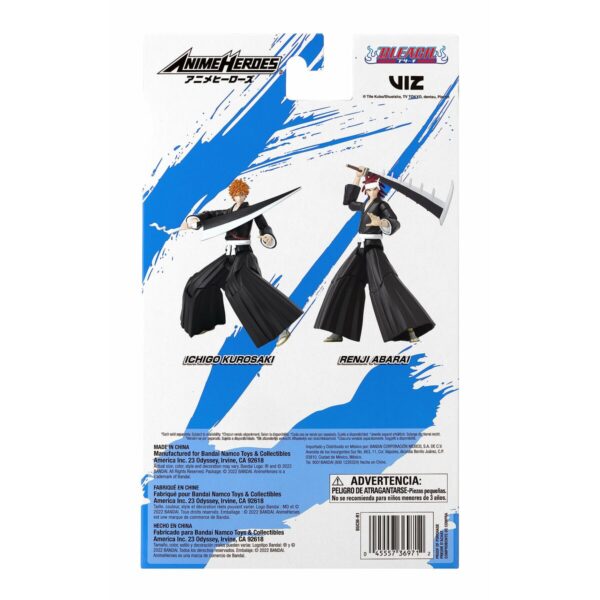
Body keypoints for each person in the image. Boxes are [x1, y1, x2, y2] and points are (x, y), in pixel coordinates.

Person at [314, 167, 435, 343]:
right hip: (360, 249)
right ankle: (338, 331)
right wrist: (357, 177)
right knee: (343, 281)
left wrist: (382, 222)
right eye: (369, 189)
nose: (372, 192)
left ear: (379, 189)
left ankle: (410, 329)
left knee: (387, 286)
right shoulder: (365, 205)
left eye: (374, 189)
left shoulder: (382, 205)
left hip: (374, 249)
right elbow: (349, 202)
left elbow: (395, 222)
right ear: (365, 190)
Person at [180, 178, 302, 348]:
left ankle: (281, 329)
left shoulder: (252, 211)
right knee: (198, 282)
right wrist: (194, 220)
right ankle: (204, 323)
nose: (240, 196)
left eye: (243, 194)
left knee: (244, 288)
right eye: (237, 194)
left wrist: (267, 236)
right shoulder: (227, 212)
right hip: (228, 257)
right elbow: (209, 215)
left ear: (246, 194)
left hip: (244, 256)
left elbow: (264, 227)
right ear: (233, 195)